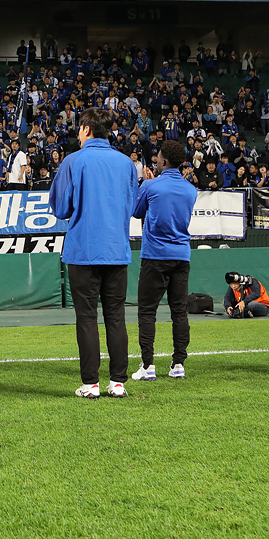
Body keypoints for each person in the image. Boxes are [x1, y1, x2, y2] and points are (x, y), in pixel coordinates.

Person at [50, 107, 139, 399]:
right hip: (116, 250)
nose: (78, 133)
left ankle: (90, 384)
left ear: (87, 129)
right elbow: (131, 206)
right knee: (116, 317)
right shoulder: (126, 163)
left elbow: (60, 208)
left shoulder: (74, 161)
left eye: (79, 128)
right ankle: (118, 383)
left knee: (87, 318)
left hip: (83, 251)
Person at [132, 139, 194, 382]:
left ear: (164, 161)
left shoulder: (151, 186)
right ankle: (178, 364)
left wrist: (145, 183)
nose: (155, 160)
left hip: (155, 256)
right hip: (181, 256)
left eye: (157, 157)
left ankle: (148, 365)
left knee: (147, 311)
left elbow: (136, 211)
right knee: (180, 311)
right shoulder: (190, 190)